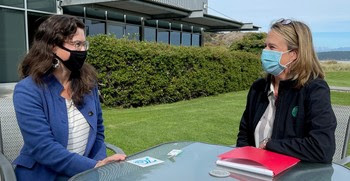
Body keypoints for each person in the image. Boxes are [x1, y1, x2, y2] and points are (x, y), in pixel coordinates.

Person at [13, 15, 126, 180]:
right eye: (77, 44)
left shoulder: (88, 82)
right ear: (53, 47)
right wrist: (93, 167)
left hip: (84, 173)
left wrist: (99, 164)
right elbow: (43, 148)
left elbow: (98, 131)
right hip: (42, 175)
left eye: (84, 44)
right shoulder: (28, 90)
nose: (83, 51)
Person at [236, 19, 336, 163]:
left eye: (272, 47)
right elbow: (244, 136)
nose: (265, 51)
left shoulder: (314, 90)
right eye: (265, 46)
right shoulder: (258, 88)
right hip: (255, 173)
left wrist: (270, 145)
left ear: (293, 54)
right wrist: (245, 165)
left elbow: (322, 148)